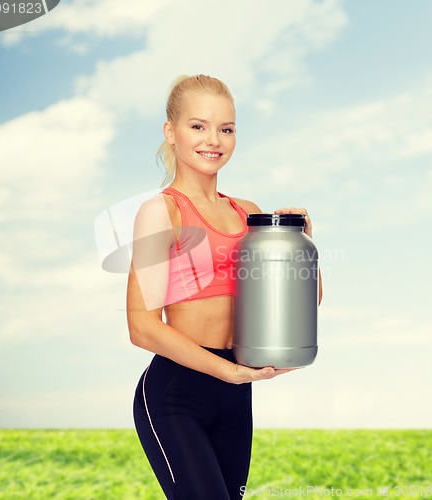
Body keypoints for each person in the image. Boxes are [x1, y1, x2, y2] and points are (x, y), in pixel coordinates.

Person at [127, 74, 323, 500]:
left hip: (235, 394)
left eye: (226, 128)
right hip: (176, 393)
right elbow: (142, 327)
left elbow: (305, 301)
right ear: (171, 132)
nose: (213, 139)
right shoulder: (161, 212)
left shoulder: (250, 214)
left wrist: (302, 240)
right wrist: (228, 371)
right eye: (198, 126)